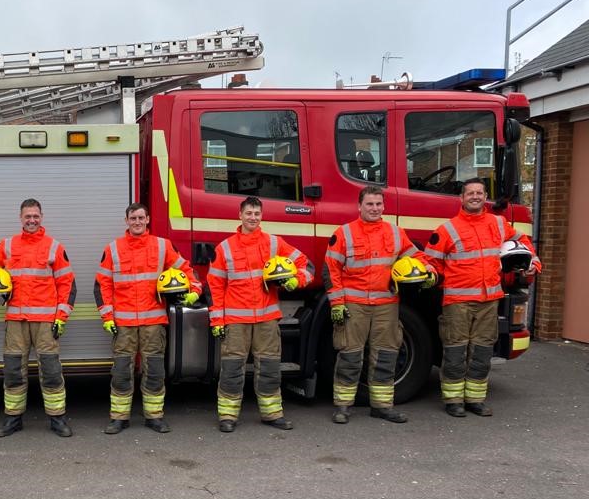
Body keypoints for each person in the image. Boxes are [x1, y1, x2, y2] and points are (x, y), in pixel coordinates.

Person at [423, 178, 541, 417]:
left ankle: (475, 399)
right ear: (462, 198)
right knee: (456, 352)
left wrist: (533, 263)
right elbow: (430, 262)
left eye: (479, 192)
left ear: (485, 196)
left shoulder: (498, 224)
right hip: (458, 302)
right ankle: (453, 400)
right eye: (470, 193)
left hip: (489, 300)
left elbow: (524, 243)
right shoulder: (447, 229)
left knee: (482, 351)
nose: (475, 196)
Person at [323, 186, 436, 424]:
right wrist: (336, 303)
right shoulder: (344, 233)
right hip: (354, 304)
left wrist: (429, 270)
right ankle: (343, 407)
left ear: (384, 207)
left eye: (378, 204)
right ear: (359, 206)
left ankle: (383, 406)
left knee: (386, 355)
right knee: (350, 355)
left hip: (386, 303)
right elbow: (331, 270)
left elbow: (415, 256)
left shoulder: (395, 233)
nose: (374, 209)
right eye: (369, 204)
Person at [0, 198, 75, 438]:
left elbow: (67, 284)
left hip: (46, 321)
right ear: (21, 218)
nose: (32, 220)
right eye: (27, 216)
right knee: (14, 371)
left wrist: (61, 317)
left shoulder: (53, 247)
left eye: (35, 216)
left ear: (41, 217)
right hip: (16, 320)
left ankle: (57, 418)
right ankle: (13, 418)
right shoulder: (7, 246)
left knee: (50, 370)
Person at [208, 196, 313, 432]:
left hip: (266, 319)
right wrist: (217, 319)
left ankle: (272, 414)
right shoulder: (225, 248)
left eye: (257, 213)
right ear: (240, 215)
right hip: (236, 320)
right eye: (249, 213)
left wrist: (295, 281)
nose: (253, 217)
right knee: (232, 369)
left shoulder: (274, 244)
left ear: (261, 216)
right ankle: (227, 416)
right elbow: (214, 286)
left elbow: (307, 265)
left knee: (269, 368)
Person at [94, 202, 200, 434]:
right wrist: (107, 317)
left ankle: (154, 416)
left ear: (148, 219)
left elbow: (186, 270)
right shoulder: (113, 248)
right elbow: (102, 285)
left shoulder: (162, 246)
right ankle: (119, 418)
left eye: (141, 218)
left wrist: (194, 291)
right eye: (133, 218)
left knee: (154, 370)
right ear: (126, 221)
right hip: (123, 324)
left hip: (153, 322)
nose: (137, 222)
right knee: (122, 370)